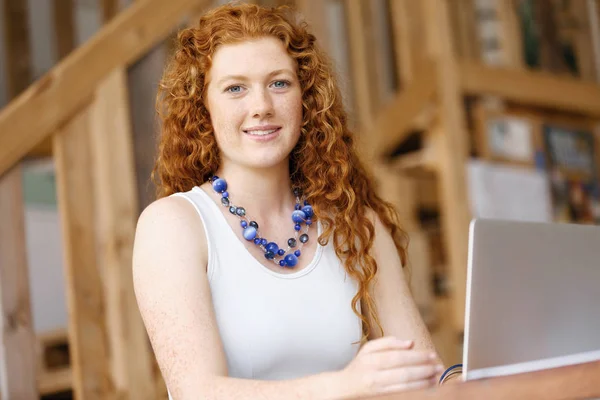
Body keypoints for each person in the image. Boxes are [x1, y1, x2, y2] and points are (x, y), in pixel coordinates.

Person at [132, 3, 445, 399]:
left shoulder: (354, 221)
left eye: (279, 83)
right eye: (235, 88)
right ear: (203, 108)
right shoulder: (172, 226)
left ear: (306, 99)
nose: (261, 106)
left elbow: (423, 374)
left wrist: (471, 381)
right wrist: (346, 385)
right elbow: (198, 392)